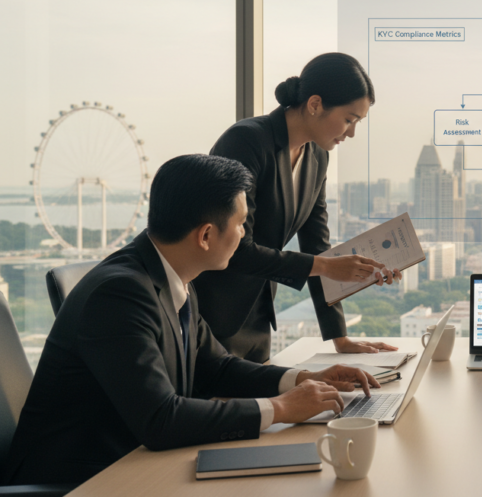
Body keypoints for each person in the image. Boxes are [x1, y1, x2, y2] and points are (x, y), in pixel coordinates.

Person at [1, 155, 381, 486]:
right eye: (242, 224)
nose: (245, 234)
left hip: (135, 463)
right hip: (80, 480)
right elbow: (161, 419)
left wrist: (302, 380)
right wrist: (280, 408)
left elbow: (216, 367)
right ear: (205, 236)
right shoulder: (119, 295)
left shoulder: (172, 275)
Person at [193, 52, 401, 363]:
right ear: (315, 104)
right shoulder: (246, 141)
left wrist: (339, 336)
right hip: (210, 316)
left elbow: (318, 246)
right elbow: (233, 248)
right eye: (349, 120)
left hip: (258, 319)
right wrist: (326, 266)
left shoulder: (317, 157)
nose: (352, 133)